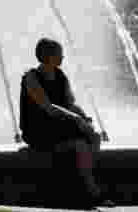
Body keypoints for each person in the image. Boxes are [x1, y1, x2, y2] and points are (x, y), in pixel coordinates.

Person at [20, 38, 113, 209]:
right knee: (79, 145)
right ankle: (91, 193)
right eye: (59, 54)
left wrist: (84, 117)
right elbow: (48, 107)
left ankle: (83, 181)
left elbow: (70, 103)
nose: (63, 57)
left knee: (95, 137)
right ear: (48, 56)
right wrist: (76, 119)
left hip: (60, 125)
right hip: (38, 129)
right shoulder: (31, 77)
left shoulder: (60, 76)